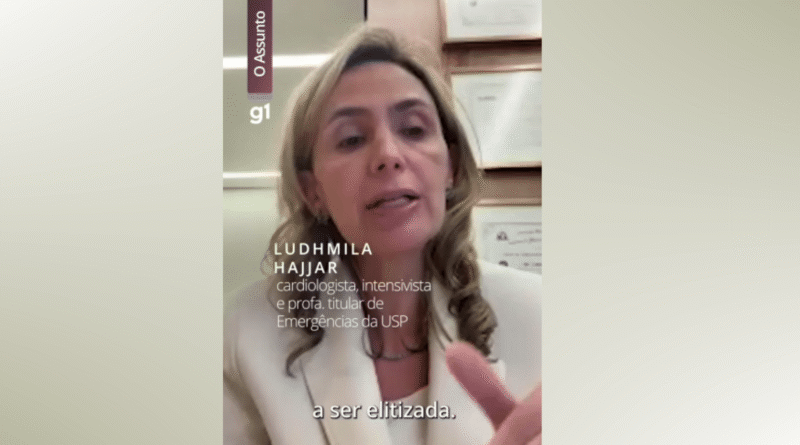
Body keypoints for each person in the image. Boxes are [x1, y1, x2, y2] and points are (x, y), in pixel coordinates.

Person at [224, 26, 541, 445]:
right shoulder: (244, 334)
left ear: (450, 167)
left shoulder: (543, 314)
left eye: (413, 130)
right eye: (352, 139)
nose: (388, 156)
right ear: (312, 191)